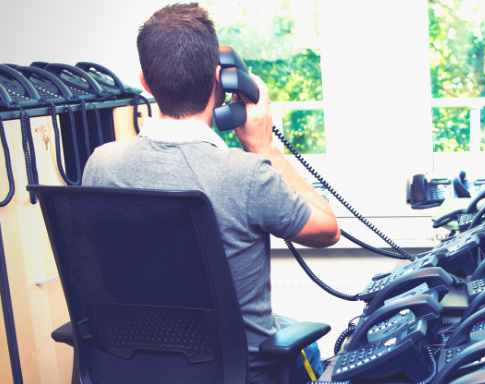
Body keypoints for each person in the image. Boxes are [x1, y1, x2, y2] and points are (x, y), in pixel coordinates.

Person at [81, 3, 340, 383]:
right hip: (238, 372)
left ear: (146, 82)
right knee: (304, 342)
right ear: (220, 81)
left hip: (134, 364)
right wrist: (266, 147)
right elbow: (328, 230)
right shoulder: (246, 174)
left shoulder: (100, 165)